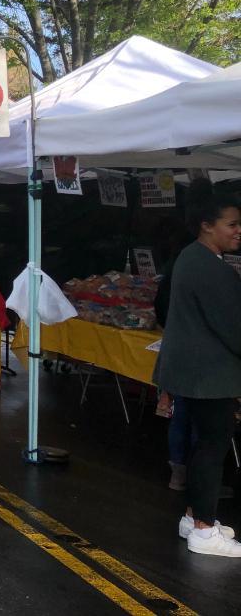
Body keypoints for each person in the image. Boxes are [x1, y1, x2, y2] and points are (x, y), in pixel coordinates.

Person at [153, 179, 241, 557]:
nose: (238, 231)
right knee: (212, 446)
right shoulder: (211, 268)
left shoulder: (190, 257)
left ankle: (194, 516)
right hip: (211, 375)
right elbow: (233, 328)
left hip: (194, 371)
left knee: (205, 444)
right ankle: (204, 529)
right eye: (232, 224)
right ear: (208, 225)